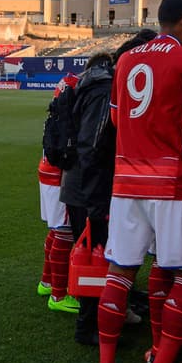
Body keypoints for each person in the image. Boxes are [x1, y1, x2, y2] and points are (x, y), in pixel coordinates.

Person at [90, 0, 182, 363]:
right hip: (170, 185)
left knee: (120, 273)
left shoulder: (127, 59)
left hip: (126, 184)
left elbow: (114, 117)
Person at [65, 34, 156, 344]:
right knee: (95, 254)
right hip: (89, 188)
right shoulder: (105, 89)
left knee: (104, 253)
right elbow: (92, 146)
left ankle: (109, 312)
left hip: (90, 184)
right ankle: (88, 327)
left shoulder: (103, 83)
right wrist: (96, 203)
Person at [37, 72, 80, 313]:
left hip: (47, 172)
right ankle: (59, 295)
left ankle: (47, 281)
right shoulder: (68, 117)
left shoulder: (57, 112)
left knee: (56, 230)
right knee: (64, 232)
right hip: (59, 176)